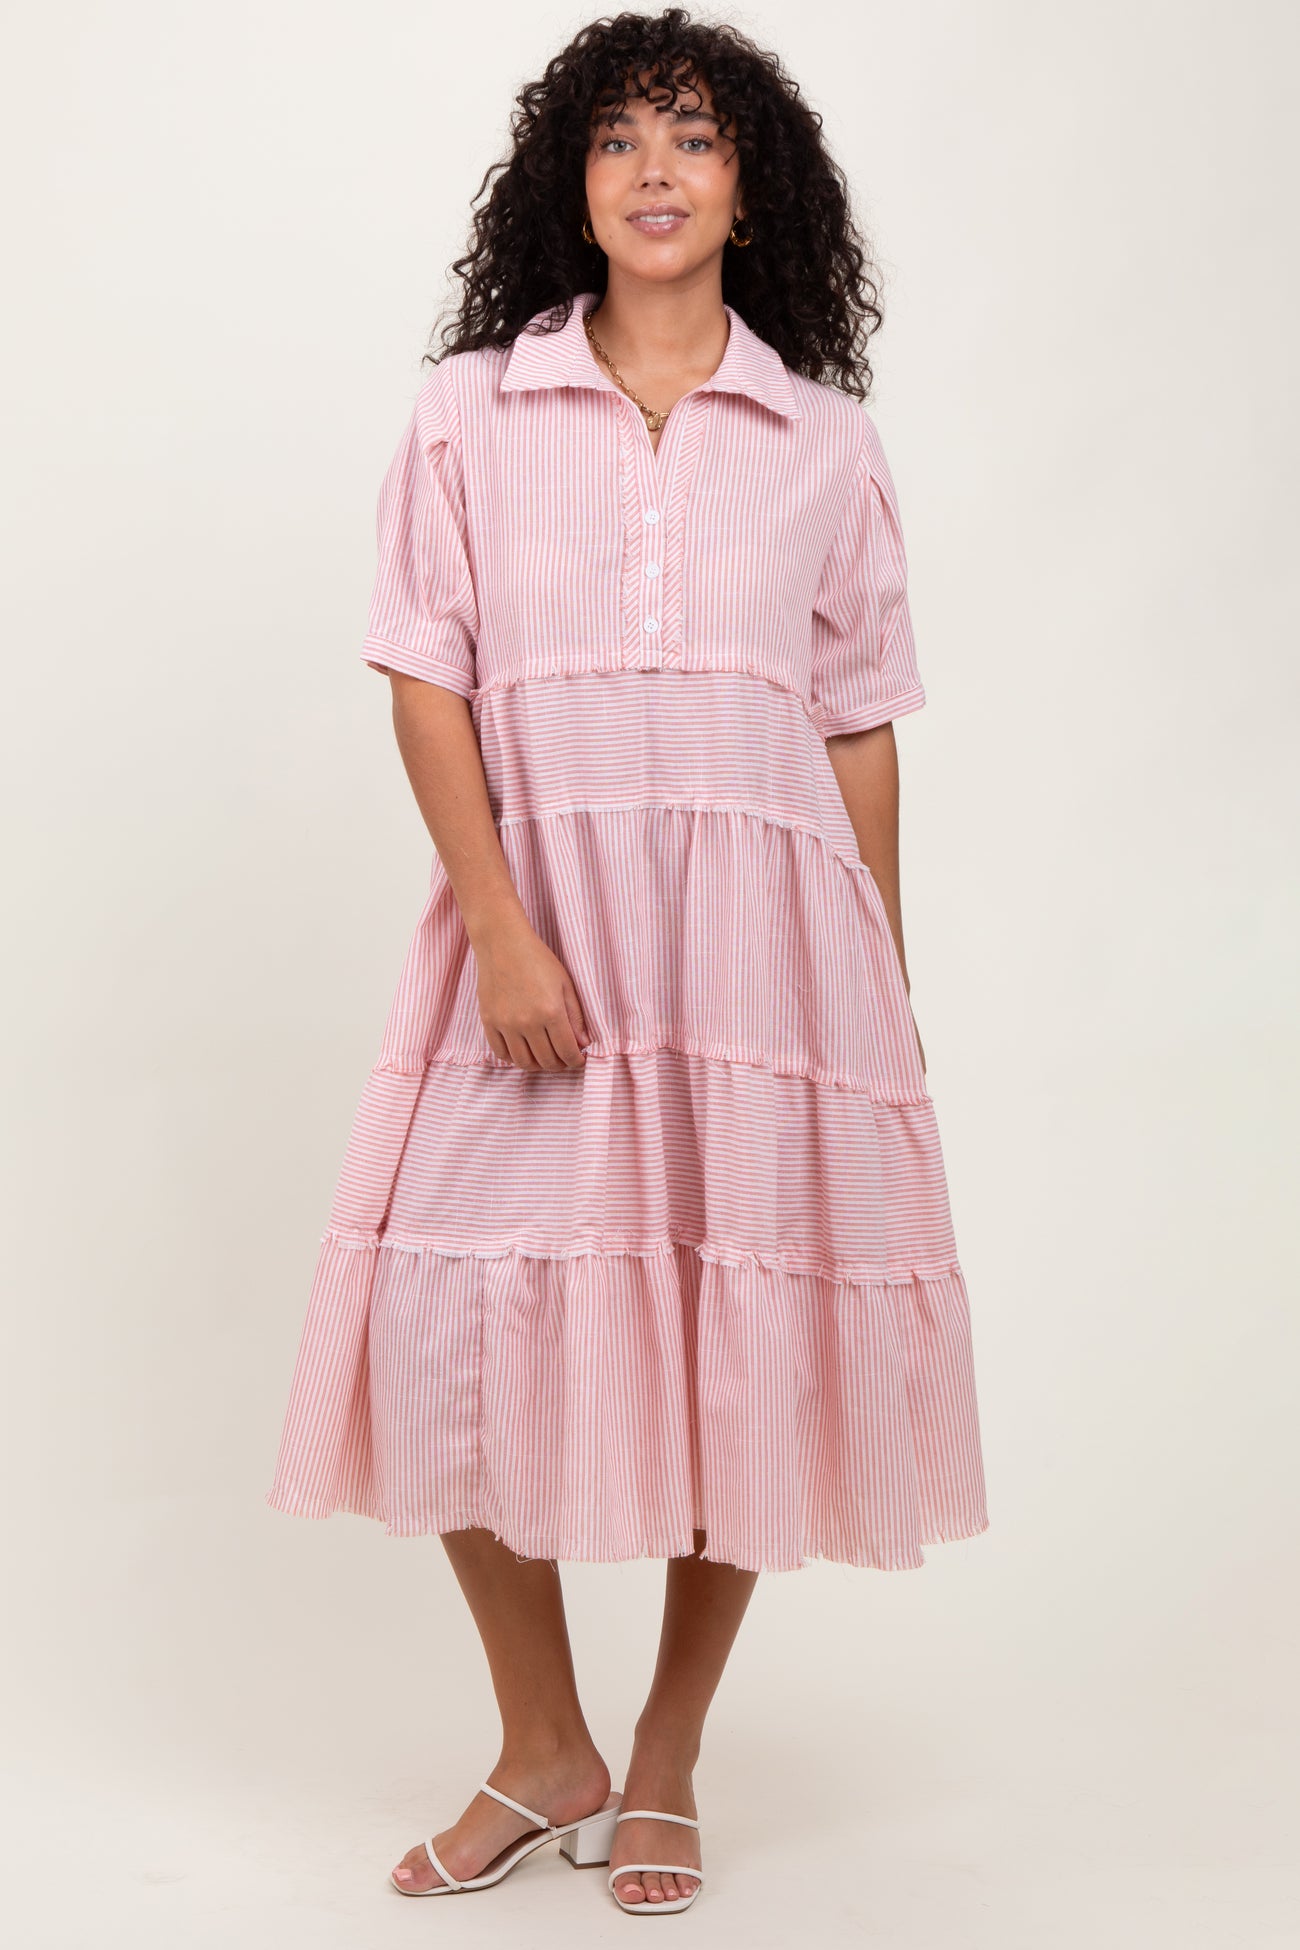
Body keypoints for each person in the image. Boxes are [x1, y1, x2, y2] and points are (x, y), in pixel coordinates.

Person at [266, 6, 989, 1916]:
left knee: (736, 1334)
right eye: (618, 140)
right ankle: (543, 1744)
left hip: (769, 965)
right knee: (440, 1320)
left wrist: (881, 986)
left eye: (694, 138)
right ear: (567, 186)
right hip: (544, 929)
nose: (655, 171)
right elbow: (425, 675)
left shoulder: (825, 441)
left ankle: (663, 1752)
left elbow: (858, 723)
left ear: (754, 188)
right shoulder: (470, 412)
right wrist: (502, 925)